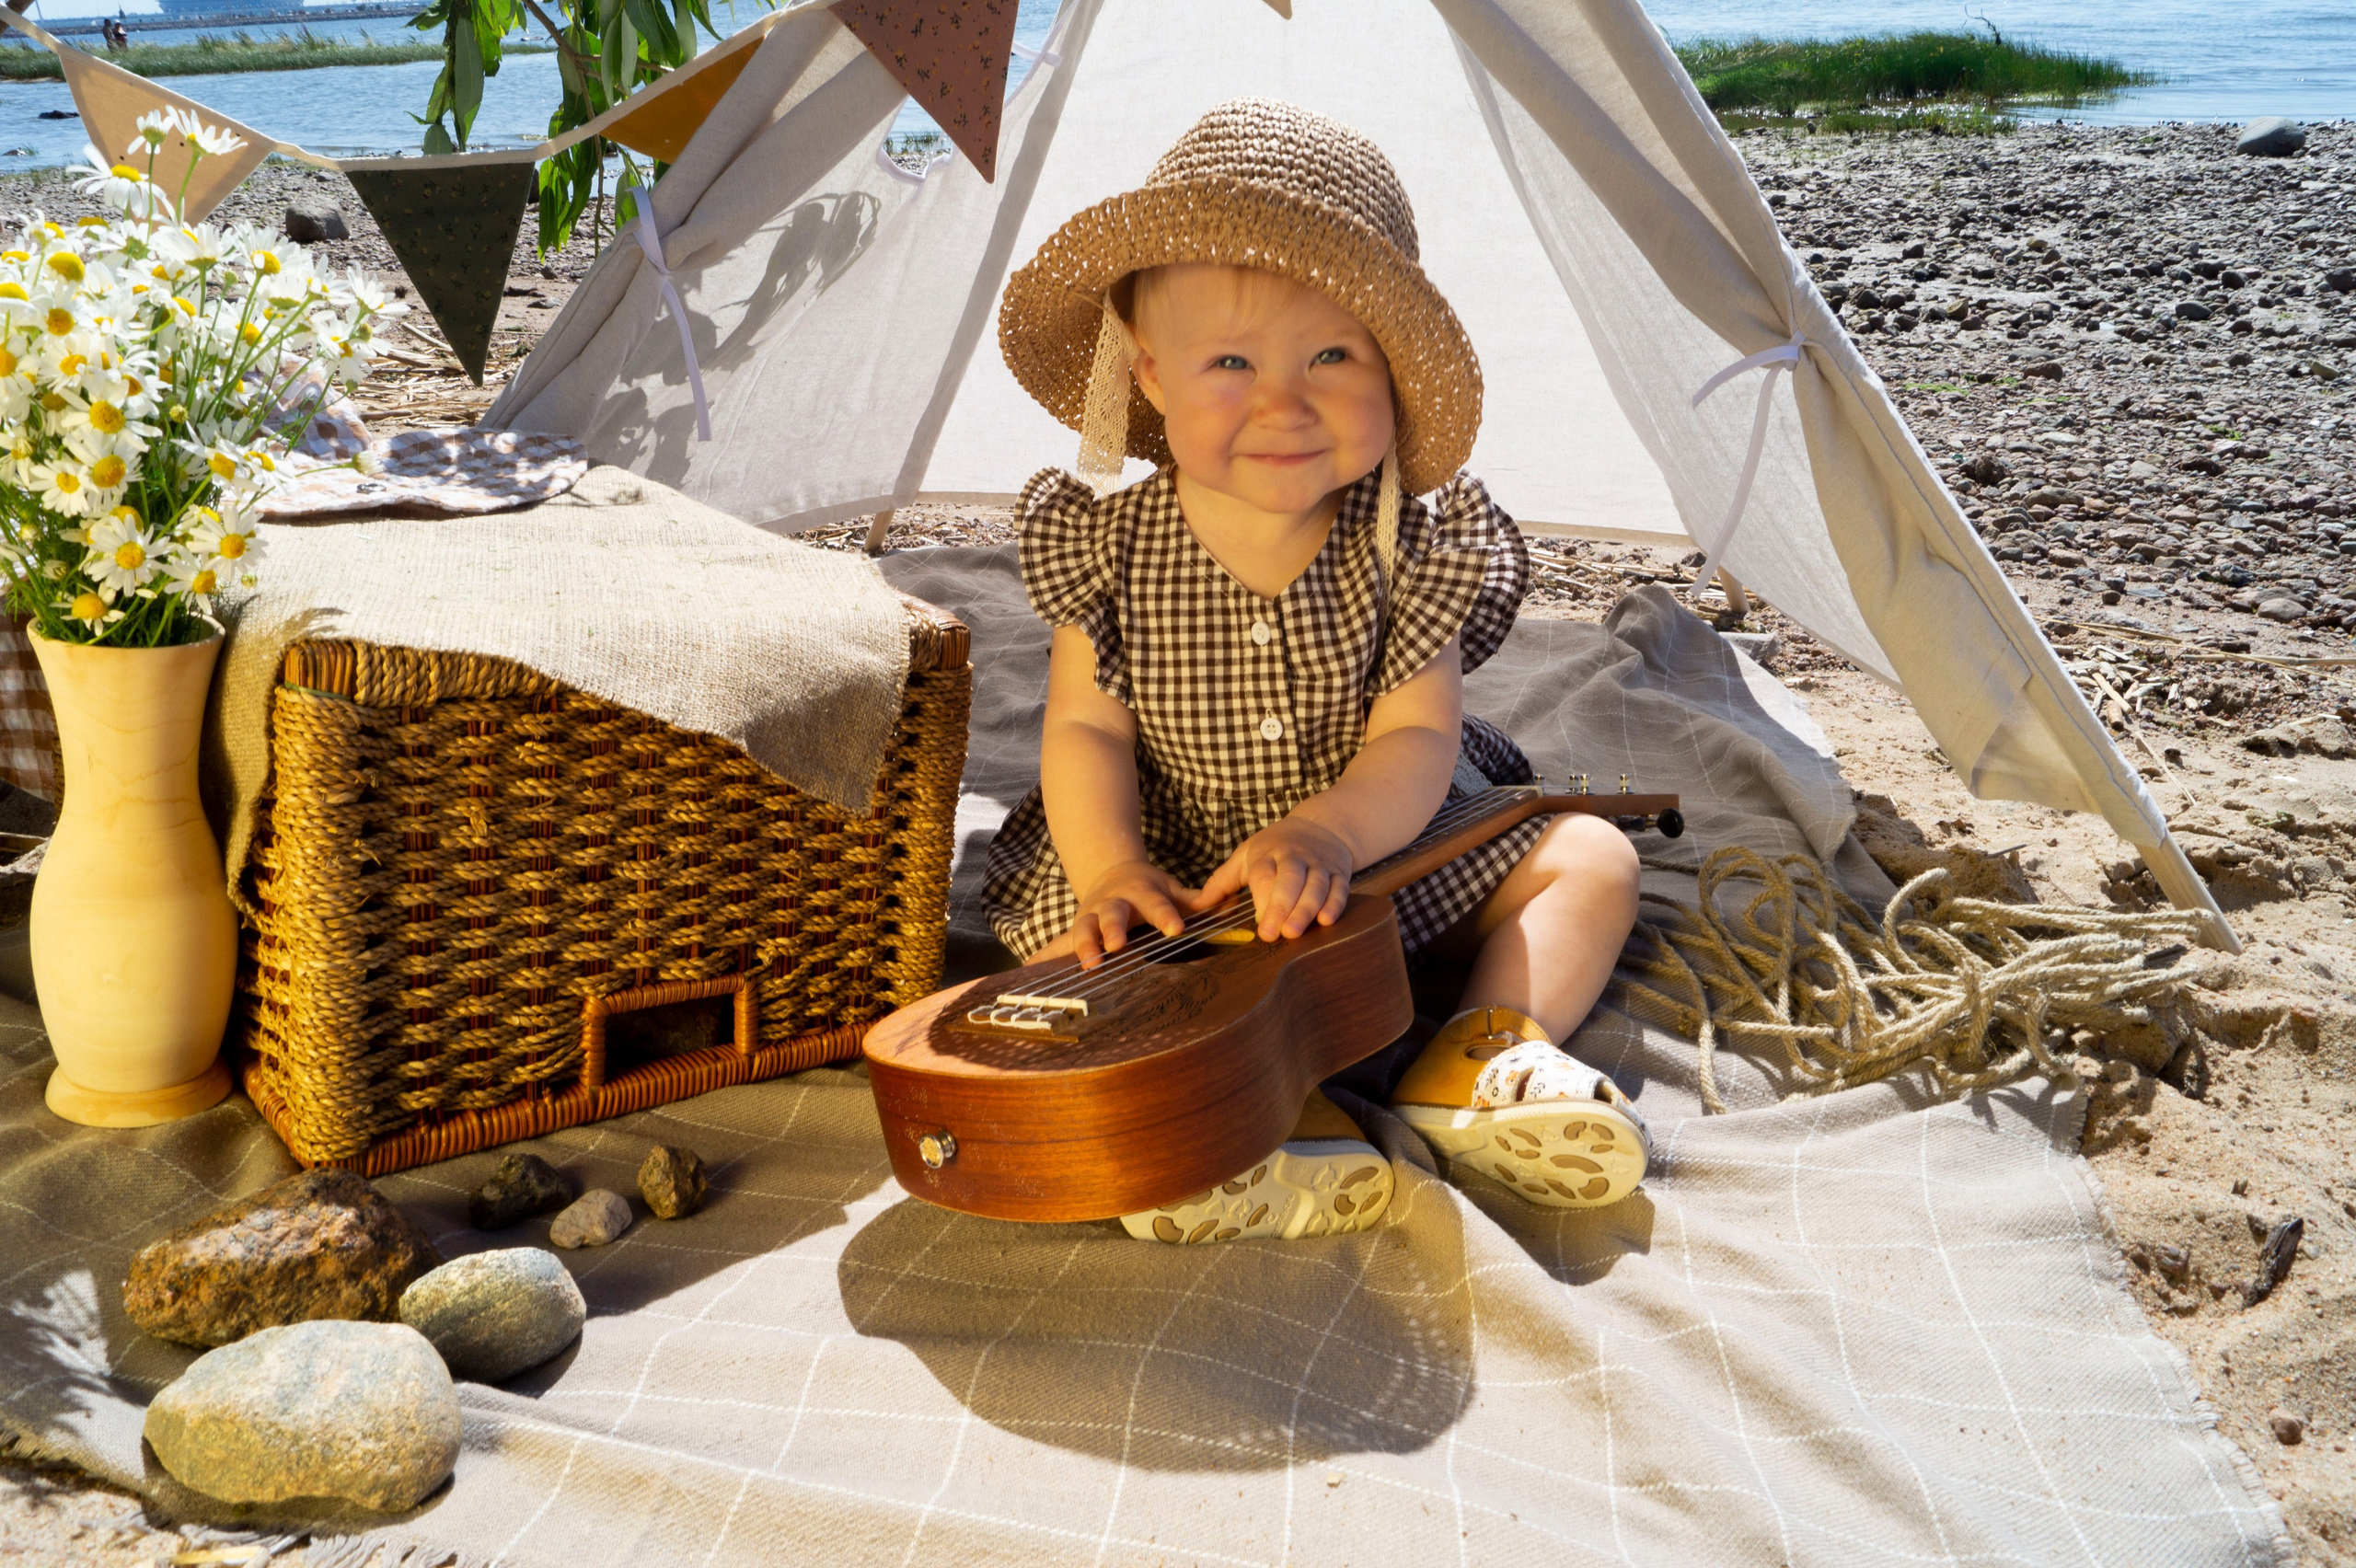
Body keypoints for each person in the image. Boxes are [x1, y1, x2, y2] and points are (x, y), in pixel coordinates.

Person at [983, 98, 1649, 1246]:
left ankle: (1481, 1050)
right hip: (1181, 863)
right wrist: (1110, 870)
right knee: (1067, 976)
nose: (1284, 402)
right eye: (1230, 361)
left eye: (1333, 355)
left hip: (1378, 849)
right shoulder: (1108, 548)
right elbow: (1088, 735)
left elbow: (1415, 740)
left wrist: (1334, 837)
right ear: (1147, 376)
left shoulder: (1407, 546)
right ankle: (1244, 1123)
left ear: (1394, 371)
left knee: (1591, 859)